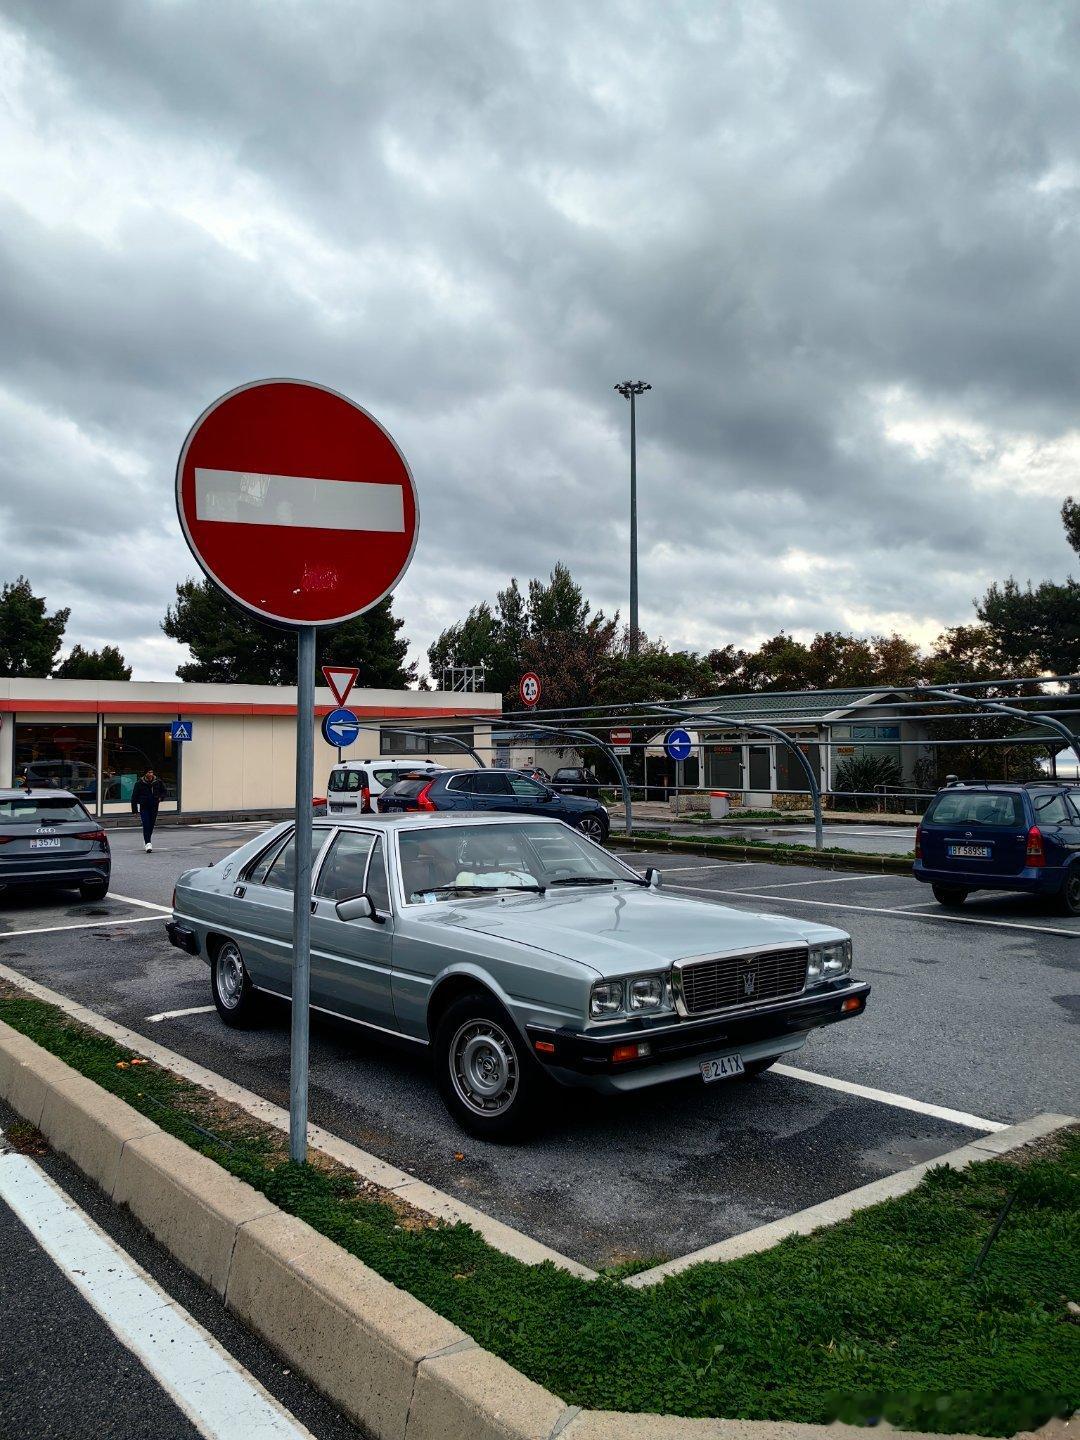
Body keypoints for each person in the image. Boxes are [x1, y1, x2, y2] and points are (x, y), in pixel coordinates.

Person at [131, 769, 166, 852]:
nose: (150, 774)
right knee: (146, 824)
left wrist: (161, 797)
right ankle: (148, 843)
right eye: (148, 772)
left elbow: (164, 791)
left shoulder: (158, 782)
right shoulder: (139, 783)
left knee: (151, 825)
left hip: (154, 806)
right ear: (145, 774)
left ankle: (146, 839)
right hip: (144, 807)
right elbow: (134, 797)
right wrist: (135, 811)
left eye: (151, 772)